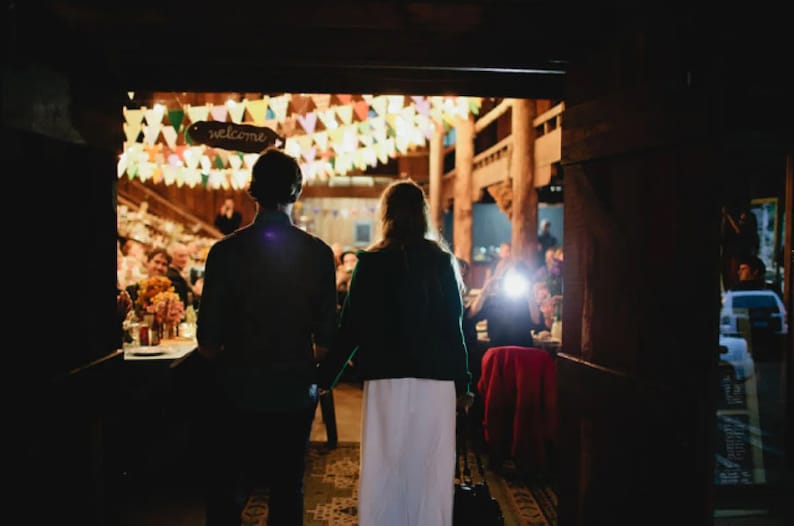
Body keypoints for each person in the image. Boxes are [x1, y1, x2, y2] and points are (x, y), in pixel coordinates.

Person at [318, 179, 473, 526]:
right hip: (435, 381)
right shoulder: (441, 261)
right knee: (428, 470)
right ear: (423, 215)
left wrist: (326, 376)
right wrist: (463, 384)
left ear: (385, 215)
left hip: (386, 379)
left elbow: (351, 327)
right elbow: (454, 328)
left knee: (385, 467)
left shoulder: (371, 262)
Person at [196, 147, 338, 525]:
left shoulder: (223, 253)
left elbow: (207, 343)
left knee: (227, 490)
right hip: (294, 389)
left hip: (234, 389)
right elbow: (326, 343)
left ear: (252, 190)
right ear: (297, 192)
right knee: (287, 489)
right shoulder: (320, 254)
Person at [468, 258, 535, 349]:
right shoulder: (492, 300)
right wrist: (484, 291)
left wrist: (530, 294)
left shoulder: (525, 300)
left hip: (523, 353)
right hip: (499, 354)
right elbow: (470, 316)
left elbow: (536, 321)